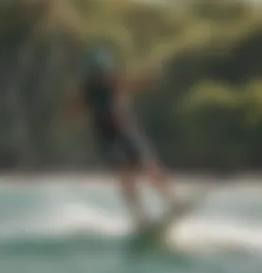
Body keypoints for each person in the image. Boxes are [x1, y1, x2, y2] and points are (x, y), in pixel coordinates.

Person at [66, 47, 178, 228]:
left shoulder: (112, 83)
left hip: (126, 132)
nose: (104, 73)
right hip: (108, 138)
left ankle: (173, 203)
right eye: (100, 71)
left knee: (149, 166)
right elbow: (71, 109)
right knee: (126, 174)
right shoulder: (88, 91)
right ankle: (140, 217)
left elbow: (133, 83)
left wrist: (151, 77)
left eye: (104, 70)